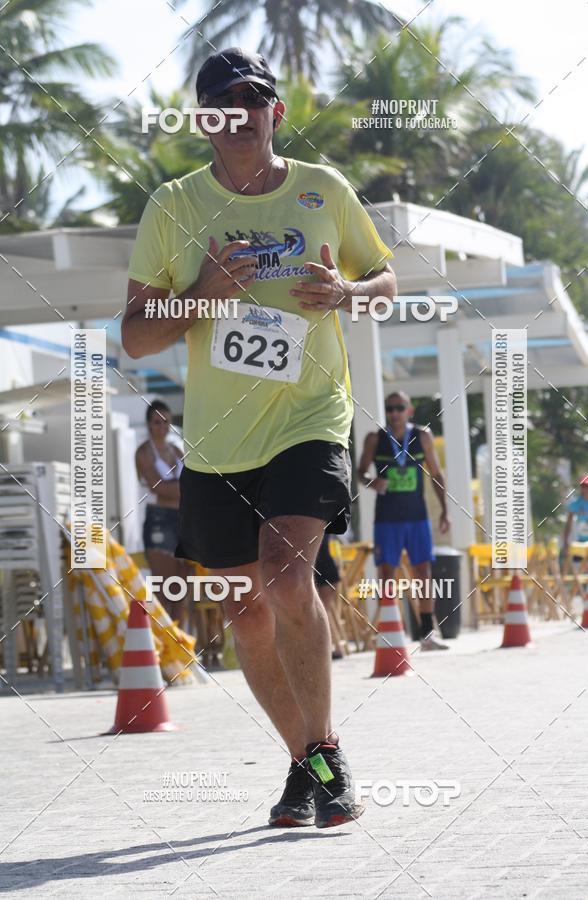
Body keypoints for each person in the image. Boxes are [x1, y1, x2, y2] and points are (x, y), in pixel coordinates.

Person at [122, 47, 396, 828]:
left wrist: (347, 291)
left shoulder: (322, 189)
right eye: (223, 101)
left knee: (284, 575)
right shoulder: (174, 205)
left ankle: (328, 754)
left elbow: (386, 284)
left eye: (253, 99)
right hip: (218, 442)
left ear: (276, 112)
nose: (239, 113)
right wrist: (204, 295)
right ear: (203, 119)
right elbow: (135, 337)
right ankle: (305, 762)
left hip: (310, 417)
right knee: (246, 613)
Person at [357, 391, 450, 650]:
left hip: (417, 516)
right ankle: (390, 631)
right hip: (387, 519)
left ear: (409, 410)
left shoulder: (422, 436)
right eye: (390, 408)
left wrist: (445, 511)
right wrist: (372, 482)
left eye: (399, 408)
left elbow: (436, 474)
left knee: (423, 572)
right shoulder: (375, 438)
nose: (394, 413)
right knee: (387, 572)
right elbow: (360, 472)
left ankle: (427, 634)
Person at [135, 400, 189, 622]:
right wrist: (185, 489)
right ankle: (160, 637)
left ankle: (178, 638)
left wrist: (178, 489)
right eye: (157, 422)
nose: (162, 427)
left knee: (181, 590)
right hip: (159, 520)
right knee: (164, 588)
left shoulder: (175, 450)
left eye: (166, 422)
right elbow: (158, 487)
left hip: (182, 520)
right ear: (148, 424)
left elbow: (180, 486)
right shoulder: (144, 452)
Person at [314, 535, 347, 659]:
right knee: (324, 612)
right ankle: (336, 647)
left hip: (326, 576)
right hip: (329, 574)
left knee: (322, 613)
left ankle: (334, 648)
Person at [563, 474, 588, 574]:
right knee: (583, 571)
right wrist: (565, 542)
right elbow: (568, 524)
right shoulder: (575, 504)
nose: (587, 489)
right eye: (584, 486)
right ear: (581, 488)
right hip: (582, 541)